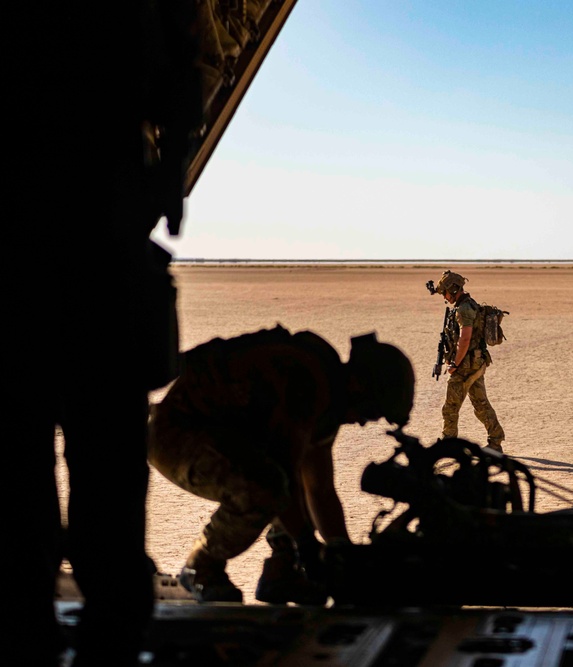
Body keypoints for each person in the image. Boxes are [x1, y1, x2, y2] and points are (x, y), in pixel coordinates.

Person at [13, 2, 203, 664]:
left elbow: (179, 85)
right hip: (102, 239)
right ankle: (112, 628)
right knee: (105, 459)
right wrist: (164, 181)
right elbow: (182, 84)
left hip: (74, 245)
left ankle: (53, 623)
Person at [147, 327, 415, 604]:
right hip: (175, 435)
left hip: (217, 435)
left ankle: (281, 573)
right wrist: (309, 549)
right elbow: (285, 478)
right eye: (370, 412)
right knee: (266, 488)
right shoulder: (307, 383)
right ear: (358, 385)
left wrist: (341, 551)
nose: (362, 422)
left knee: (281, 488)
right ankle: (199, 568)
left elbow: (319, 490)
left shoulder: (326, 399)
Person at [432, 270, 506, 452]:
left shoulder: (464, 309)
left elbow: (465, 339)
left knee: (450, 407)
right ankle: (496, 441)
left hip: (465, 366)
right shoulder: (468, 305)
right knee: (481, 404)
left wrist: (454, 364)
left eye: (446, 293)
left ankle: (448, 443)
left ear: (454, 289)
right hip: (475, 363)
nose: (445, 297)